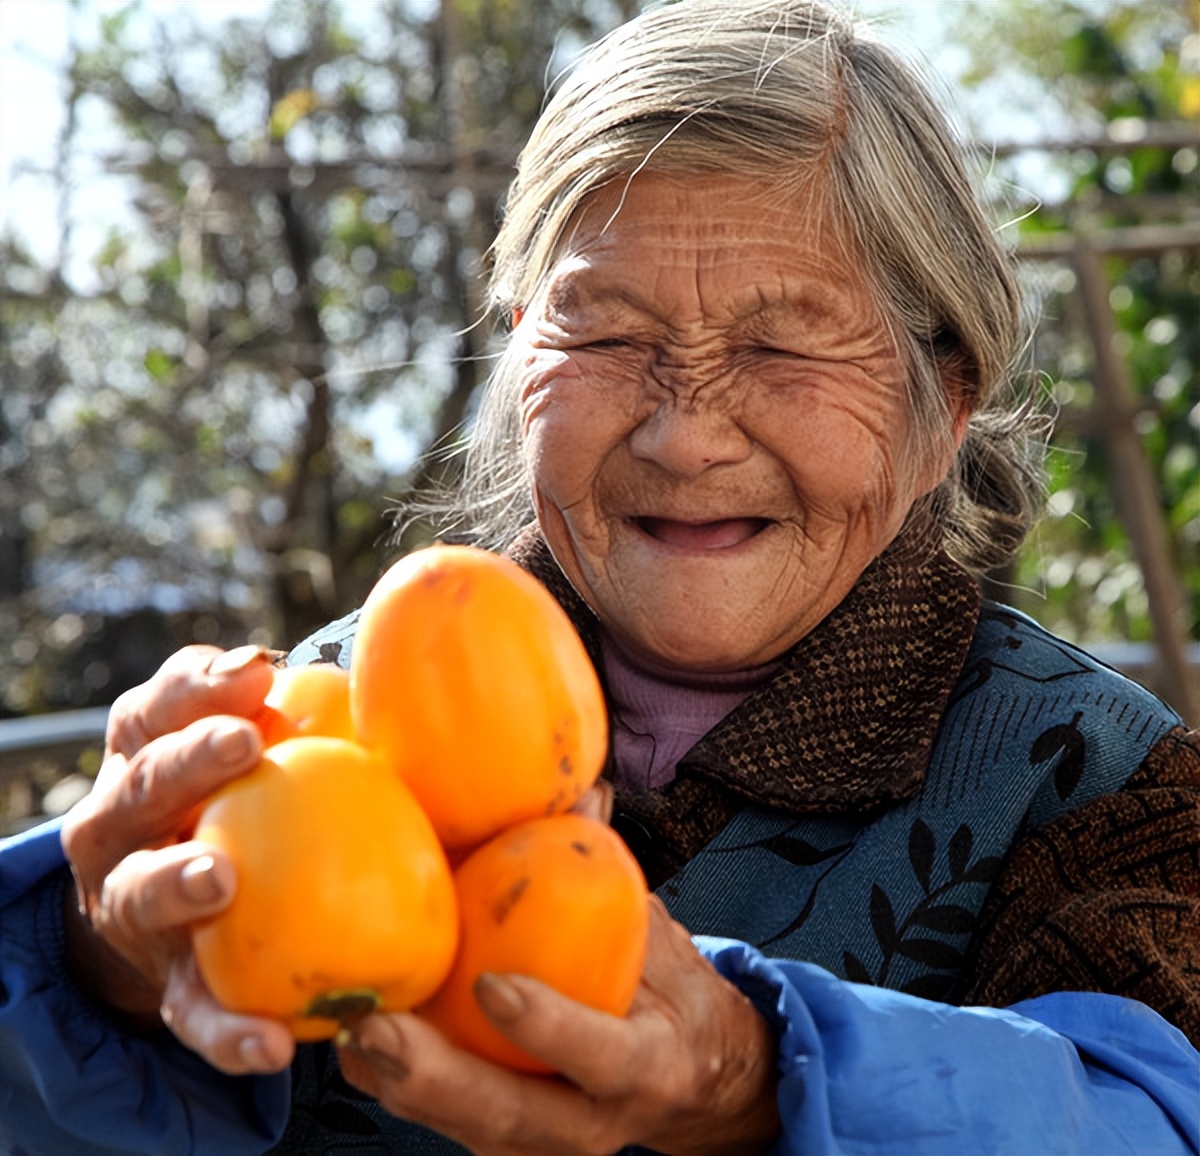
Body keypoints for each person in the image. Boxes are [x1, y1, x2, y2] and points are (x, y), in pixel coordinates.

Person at [1, 0, 1197, 1152]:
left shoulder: (1093, 781)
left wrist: (752, 1080)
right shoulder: (317, 723)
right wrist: (100, 967)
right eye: (607, 334)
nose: (686, 436)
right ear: (519, 360)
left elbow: (1155, 1112)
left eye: (781, 343)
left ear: (943, 405)